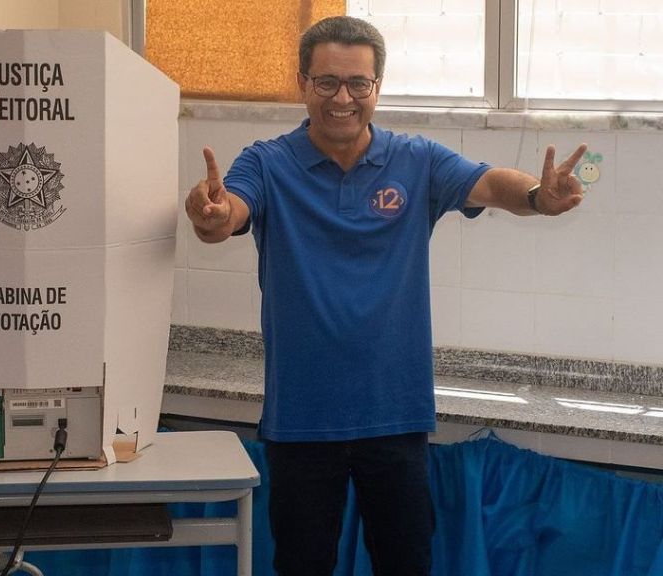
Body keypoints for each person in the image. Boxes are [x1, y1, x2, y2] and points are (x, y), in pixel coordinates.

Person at [184, 15, 586, 576]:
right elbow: (227, 213)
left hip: (394, 417)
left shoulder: (416, 160)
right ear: (303, 83)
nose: (342, 98)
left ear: (377, 88)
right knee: (303, 566)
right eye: (326, 82)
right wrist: (211, 214)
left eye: (357, 84)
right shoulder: (267, 163)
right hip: (302, 420)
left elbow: (493, 184)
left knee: (406, 564)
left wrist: (541, 196)